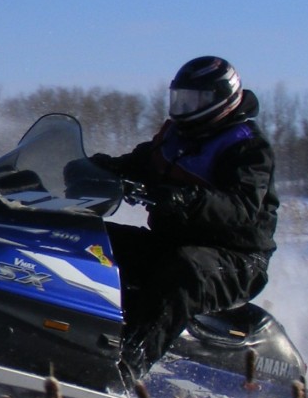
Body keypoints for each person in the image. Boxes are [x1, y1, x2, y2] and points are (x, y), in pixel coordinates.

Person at [91, 56, 279, 381]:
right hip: (172, 243)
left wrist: (187, 199)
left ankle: (124, 371)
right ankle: (70, 334)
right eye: (180, 99)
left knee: (184, 271)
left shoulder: (248, 146)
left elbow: (242, 206)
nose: (185, 108)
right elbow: (141, 162)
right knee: (94, 239)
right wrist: (100, 168)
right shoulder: (176, 137)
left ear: (222, 100)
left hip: (237, 259)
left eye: (194, 101)